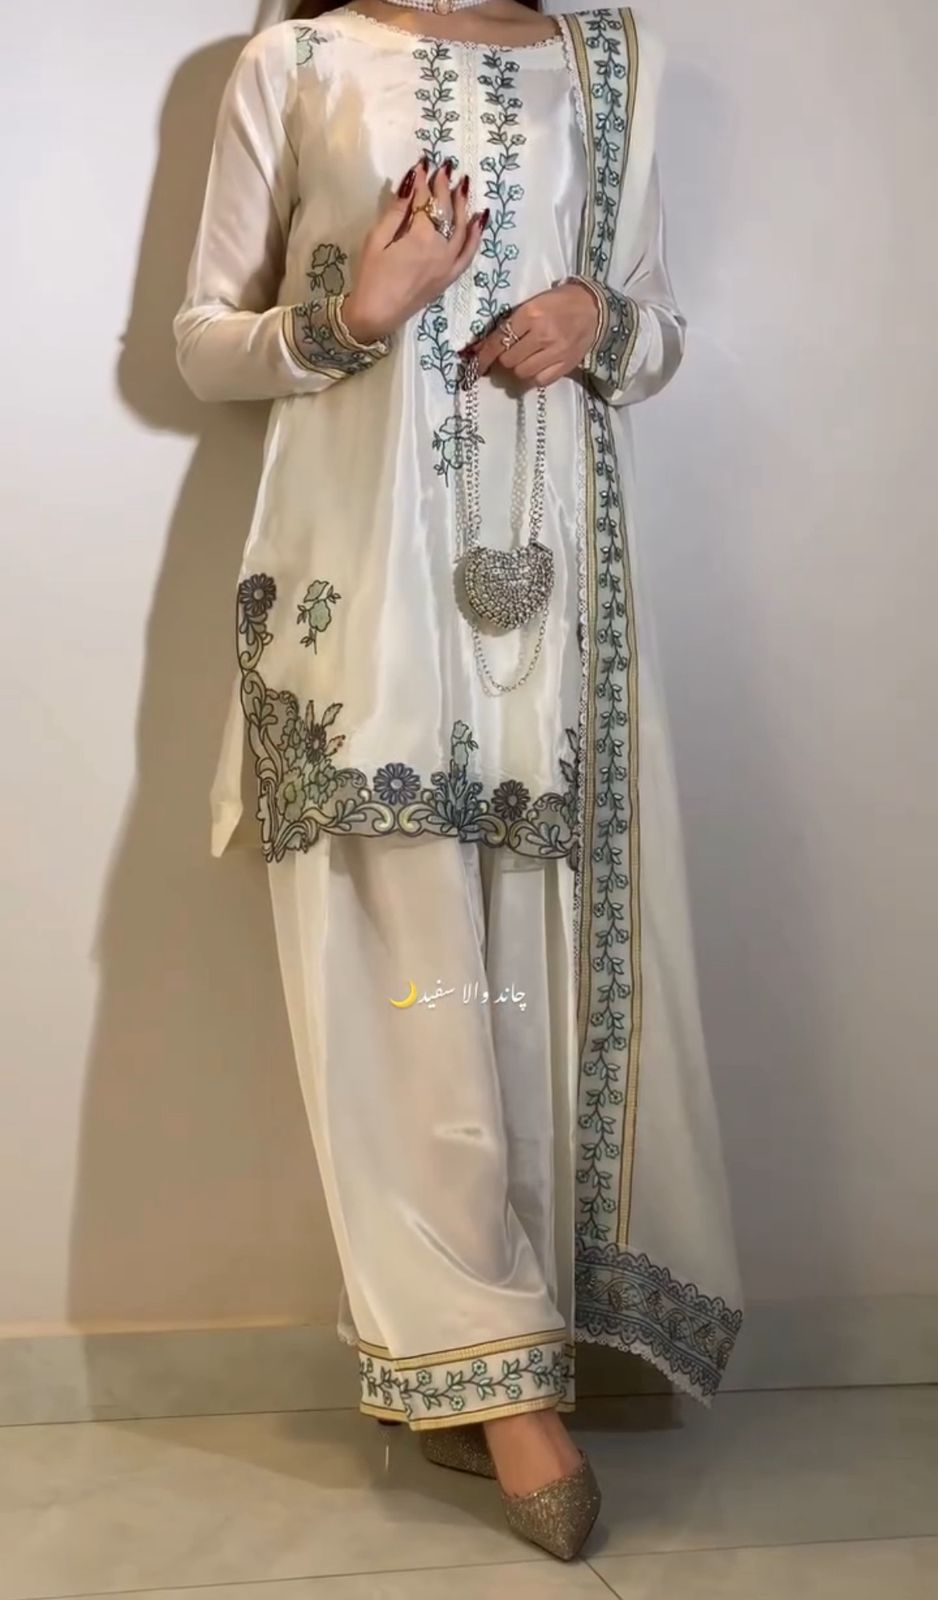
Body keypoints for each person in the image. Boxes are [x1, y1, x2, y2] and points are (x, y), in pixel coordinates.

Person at [174, 0, 743, 1561]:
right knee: (399, 963)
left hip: (548, 585)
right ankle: (495, 1381)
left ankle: (509, 1339)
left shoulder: (605, 59)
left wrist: (592, 320)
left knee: (523, 965)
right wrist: (354, 313)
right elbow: (200, 341)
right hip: (355, 579)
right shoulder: (296, 64)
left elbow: (657, 329)